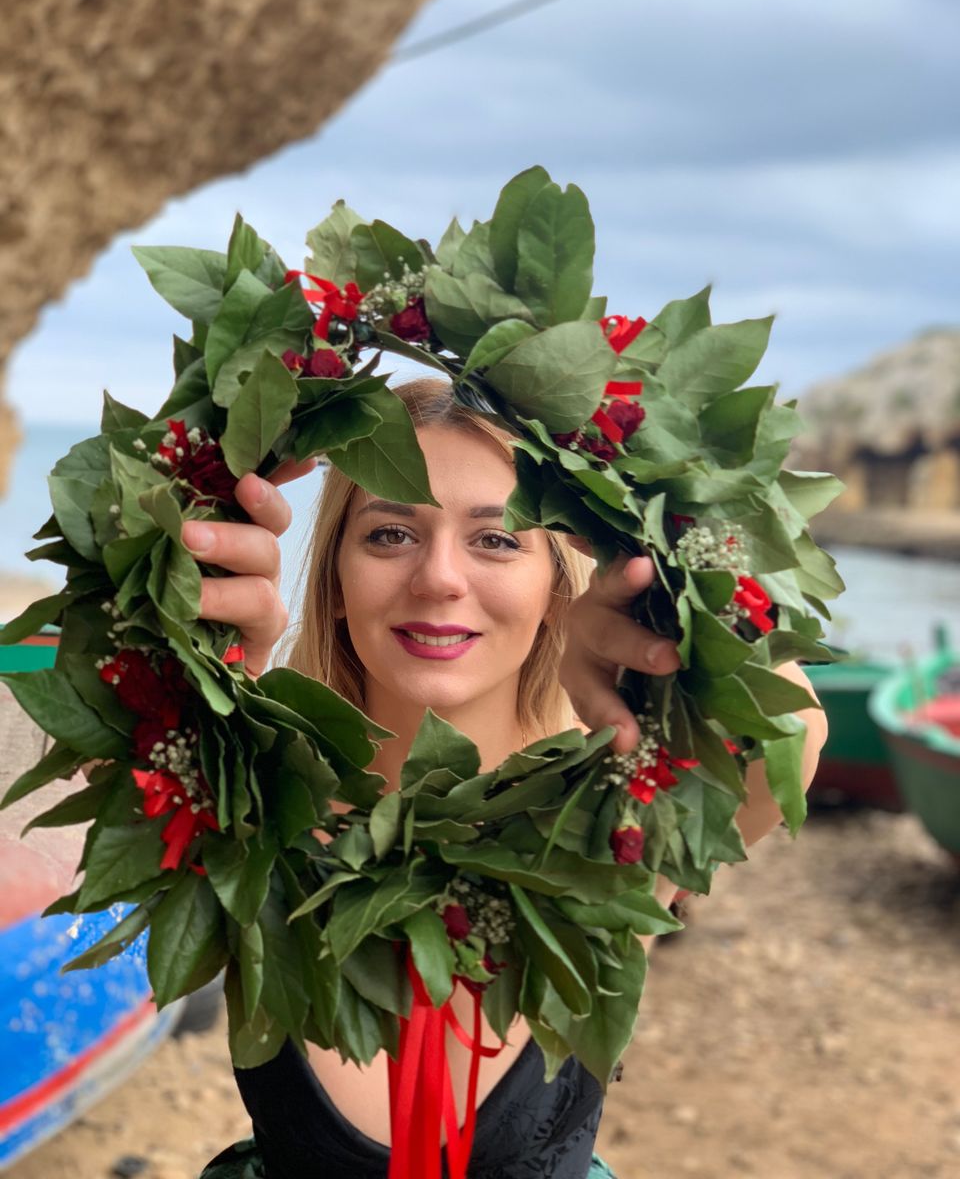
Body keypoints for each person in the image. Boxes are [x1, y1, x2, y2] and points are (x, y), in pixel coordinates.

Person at [193, 376, 827, 1179]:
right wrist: (214, 482)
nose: (438, 579)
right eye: (391, 534)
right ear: (336, 581)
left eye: (496, 539)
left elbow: (792, 732)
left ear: (560, 586)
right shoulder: (243, 790)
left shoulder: (619, 816)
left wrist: (660, 591)